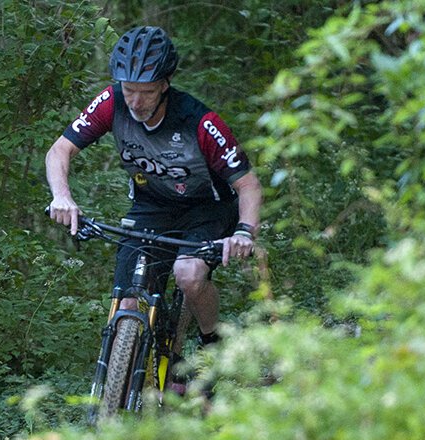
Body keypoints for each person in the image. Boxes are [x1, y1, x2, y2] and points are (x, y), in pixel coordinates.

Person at [44, 26, 262, 386]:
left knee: (188, 275)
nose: (135, 102)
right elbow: (59, 151)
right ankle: (125, 387)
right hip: (151, 206)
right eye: (129, 90)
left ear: (165, 83)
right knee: (128, 302)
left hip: (207, 208)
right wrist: (62, 196)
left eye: (145, 92)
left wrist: (243, 231)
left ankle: (210, 340)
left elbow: (248, 185)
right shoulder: (112, 102)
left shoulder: (200, 122)